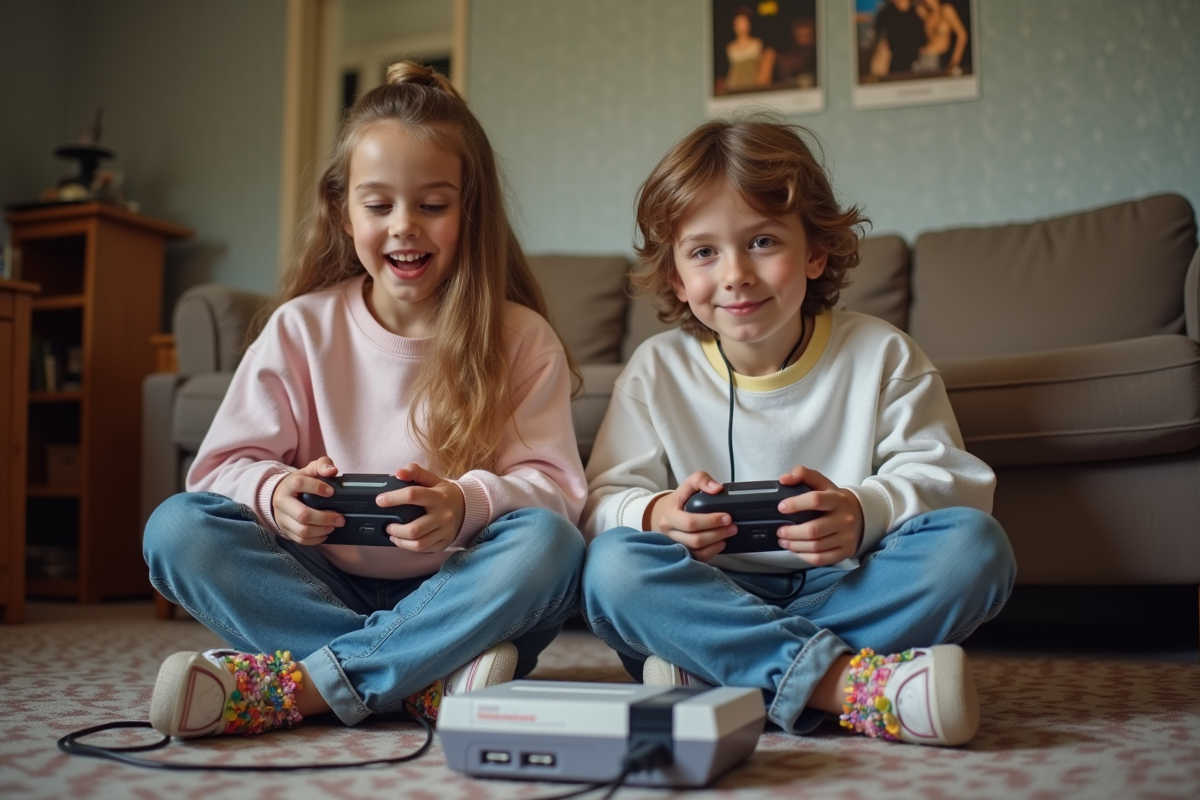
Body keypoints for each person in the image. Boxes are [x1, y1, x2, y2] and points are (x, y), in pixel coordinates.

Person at [142, 61, 587, 739]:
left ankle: (303, 686)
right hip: (324, 586)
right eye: (379, 205)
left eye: (433, 205)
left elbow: (556, 492)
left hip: (460, 596)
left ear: (471, 211)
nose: (404, 226)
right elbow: (218, 470)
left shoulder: (522, 337)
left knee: (548, 545)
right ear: (343, 212)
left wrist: (465, 503)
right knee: (175, 530)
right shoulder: (302, 327)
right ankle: (423, 682)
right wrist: (275, 492)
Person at [581, 116, 1015, 746]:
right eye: (704, 252)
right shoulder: (655, 370)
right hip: (711, 592)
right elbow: (599, 504)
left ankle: (723, 671)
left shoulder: (881, 354)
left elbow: (956, 483)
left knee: (974, 548)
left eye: (762, 242)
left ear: (815, 252)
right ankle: (846, 685)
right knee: (613, 568)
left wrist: (865, 511)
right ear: (676, 275)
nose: (735, 274)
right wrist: (655, 514)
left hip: (849, 583)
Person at [723, 8, 775, 93]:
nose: (741, 26)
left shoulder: (757, 44)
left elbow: (763, 66)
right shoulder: (730, 47)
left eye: (744, 23)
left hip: (753, 85)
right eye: (738, 23)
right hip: (735, 86)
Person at [870, 0, 926, 78]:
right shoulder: (885, 14)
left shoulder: (919, 13)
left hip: (916, 68)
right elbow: (880, 43)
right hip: (892, 70)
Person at [914, 0, 968, 75]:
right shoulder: (927, 14)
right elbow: (932, 39)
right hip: (926, 57)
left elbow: (962, 35)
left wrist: (955, 61)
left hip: (941, 58)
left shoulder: (947, 10)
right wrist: (925, 17)